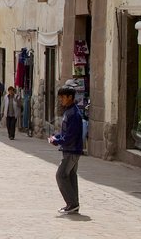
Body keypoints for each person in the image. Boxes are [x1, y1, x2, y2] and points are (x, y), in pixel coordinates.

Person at [48, 86, 83, 215]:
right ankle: (74, 204)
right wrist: (56, 137)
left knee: (61, 175)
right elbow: (65, 132)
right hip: (70, 149)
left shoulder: (73, 113)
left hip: (72, 150)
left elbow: (70, 136)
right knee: (71, 176)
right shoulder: (69, 112)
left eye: (63, 97)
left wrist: (57, 141)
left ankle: (72, 203)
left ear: (70, 97)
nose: (61, 100)